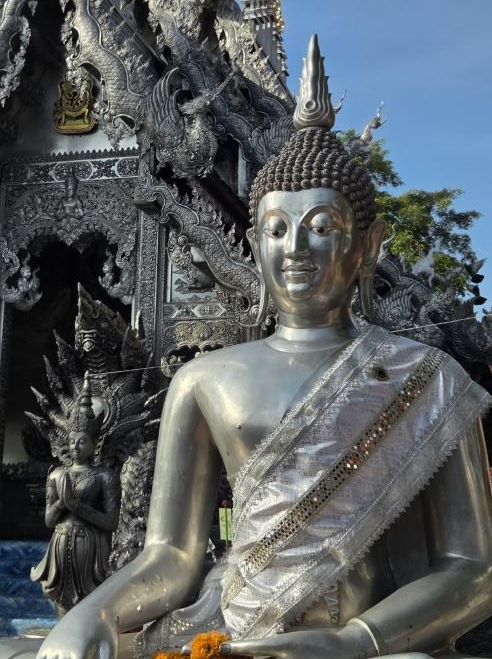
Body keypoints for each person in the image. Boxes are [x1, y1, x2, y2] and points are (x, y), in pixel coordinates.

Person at [27, 35, 491, 659]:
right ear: (254, 244)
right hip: (233, 628)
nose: (295, 248)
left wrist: (355, 640)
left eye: (322, 227)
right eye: (276, 229)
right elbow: (172, 555)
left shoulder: (427, 377)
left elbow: (473, 569)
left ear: (368, 245)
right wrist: (94, 614)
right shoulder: (204, 378)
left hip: (372, 645)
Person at [31, 375, 121, 613]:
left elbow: (111, 522)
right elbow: (49, 520)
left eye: (82, 442)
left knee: (87, 605)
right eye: (72, 441)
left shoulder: (105, 476)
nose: (75, 446)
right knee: (61, 604)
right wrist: (62, 503)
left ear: (94, 444)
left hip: (90, 545)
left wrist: (77, 506)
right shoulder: (56, 475)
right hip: (60, 542)